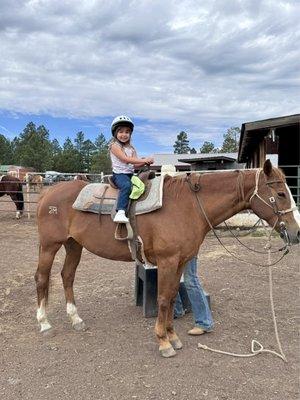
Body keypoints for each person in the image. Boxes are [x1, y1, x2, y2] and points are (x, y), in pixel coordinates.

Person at [109, 115, 154, 223]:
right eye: (121, 131)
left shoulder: (131, 148)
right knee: (126, 186)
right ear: (115, 133)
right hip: (119, 175)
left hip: (130, 174)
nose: (124, 134)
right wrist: (143, 160)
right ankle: (120, 212)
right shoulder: (114, 146)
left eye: (127, 132)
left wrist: (144, 162)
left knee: (142, 186)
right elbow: (125, 159)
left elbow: (134, 165)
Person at [174, 256, 214, 335]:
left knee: (190, 280)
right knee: (170, 277)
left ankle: (204, 322)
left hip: (188, 248)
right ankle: (176, 310)